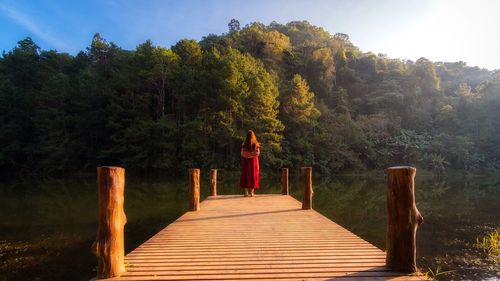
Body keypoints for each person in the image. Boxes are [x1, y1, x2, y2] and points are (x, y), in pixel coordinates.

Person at [240, 130, 260, 197]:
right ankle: (251, 193)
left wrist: (248, 155)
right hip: (253, 161)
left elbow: (242, 154)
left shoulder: (244, 144)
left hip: (246, 161)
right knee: (253, 175)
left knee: (245, 175)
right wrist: (251, 155)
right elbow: (257, 153)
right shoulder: (256, 144)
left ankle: (246, 193)